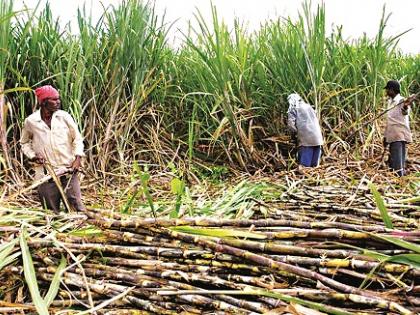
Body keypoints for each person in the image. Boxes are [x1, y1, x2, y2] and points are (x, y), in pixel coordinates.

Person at [20, 85, 86, 212]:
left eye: (58, 99)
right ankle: (55, 230)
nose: (58, 102)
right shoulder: (31, 121)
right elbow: (24, 143)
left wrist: (77, 158)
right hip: (46, 172)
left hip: (68, 169)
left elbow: (77, 138)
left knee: (76, 208)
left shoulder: (64, 117)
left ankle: (77, 229)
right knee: (51, 211)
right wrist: (33, 156)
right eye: (54, 100)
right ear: (44, 102)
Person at [383, 80, 412, 177]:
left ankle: (399, 181)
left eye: (387, 89)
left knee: (397, 163)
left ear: (392, 90)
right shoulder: (390, 102)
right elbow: (389, 121)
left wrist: (405, 106)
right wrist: (385, 136)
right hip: (392, 135)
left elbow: (405, 111)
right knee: (394, 160)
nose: (386, 92)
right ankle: (397, 179)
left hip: (399, 135)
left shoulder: (402, 101)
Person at [287, 93, 324, 167]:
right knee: (315, 166)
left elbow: (291, 125)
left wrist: (293, 135)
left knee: (305, 166)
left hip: (306, 138)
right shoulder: (309, 106)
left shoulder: (293, 109)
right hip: (317, 136)